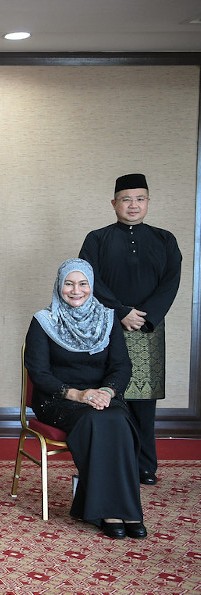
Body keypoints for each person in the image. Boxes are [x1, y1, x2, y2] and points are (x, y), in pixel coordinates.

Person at [24, 258, 145, 539]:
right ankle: (109, 511)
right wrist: (79, 394)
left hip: (102, 396)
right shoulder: (44, 321)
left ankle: (126, 510)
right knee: (96, 420)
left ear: (91, 287)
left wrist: (106, 392)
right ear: (59, 286)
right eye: (69, 283)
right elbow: (39, 372)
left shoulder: (108, 318)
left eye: (82, 284)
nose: (75, 290)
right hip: (58, 398)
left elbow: (121, 366)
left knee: (116, 418)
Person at [79, 173, 181, 486]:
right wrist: (121, 312)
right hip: (108, 327)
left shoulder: (165, 239)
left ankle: (145, 466)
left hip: (148, 329)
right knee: (109, 396)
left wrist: (144, 317)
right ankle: (109, 462)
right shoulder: (97, 239)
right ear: (114, 203)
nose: (133, 205)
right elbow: (88, 278)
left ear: (148, 201)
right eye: (126, 199)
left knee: (144, 401)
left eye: (139, 199)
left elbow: (170, 282)